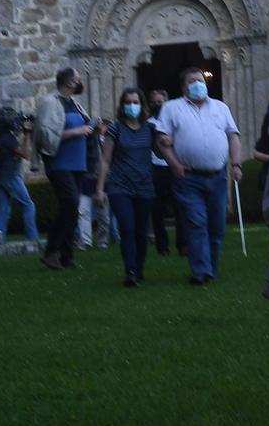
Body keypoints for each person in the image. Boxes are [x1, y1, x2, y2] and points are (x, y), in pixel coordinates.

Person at [153, 66, 243, 286]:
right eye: (193, 81)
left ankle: (211, 266)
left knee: (217, 225)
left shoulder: (221, 108)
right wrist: (174, 164)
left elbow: (233, 136)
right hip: (189, 177)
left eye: (201, 80)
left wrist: (237, 163)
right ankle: (200, 272)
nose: (198, 84)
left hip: (218, 176)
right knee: (196, 222)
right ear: (184, 87)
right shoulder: (171, 108)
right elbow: (161, 138)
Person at [93, 87, 158, 286]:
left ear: (142, 105)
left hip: (144, 186)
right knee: (127, 228)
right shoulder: (115, 129)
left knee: (140, 231)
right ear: (122, 106)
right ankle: (130, 271)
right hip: (120, 186)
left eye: (135, 102)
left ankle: (139, 269)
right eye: (128, 102)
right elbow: (105, 160)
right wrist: (100, 189)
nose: (132, 106)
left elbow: (162, 153)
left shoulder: (150, 129)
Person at [35, 69, 98, 271]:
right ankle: (51, 251)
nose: (80, 82)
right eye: (78, 79)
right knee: (70, 202)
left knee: (71, 209)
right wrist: (76, 131)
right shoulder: (50, 102)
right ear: (69, 82)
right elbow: (46, 134)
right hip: (59, 163)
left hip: (78, 163)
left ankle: (66, 256)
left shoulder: (75, 104)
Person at [0, 106, 39, 247]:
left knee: (3, 209)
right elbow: (25, 154)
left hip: (0, 177)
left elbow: (15, 154)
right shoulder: (8, 138)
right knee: (28, 205)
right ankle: (32, 239)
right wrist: (27, 133)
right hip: (10, 176)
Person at [145, 88, 177, 256]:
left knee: (180, 206)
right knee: (157, 209)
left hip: (174, 167)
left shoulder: (175, 122)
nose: (159, 105)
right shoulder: (149, 124)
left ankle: (183, 243)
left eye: (161, 102)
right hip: (156, 168)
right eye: (156, 102)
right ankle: (162, 246)